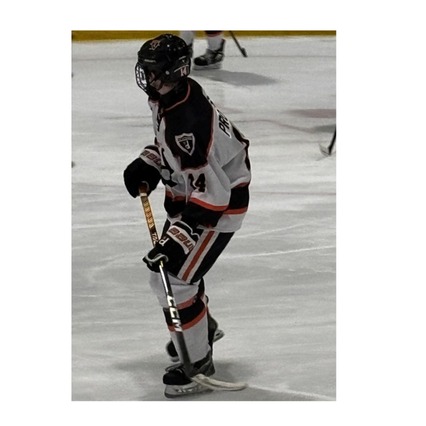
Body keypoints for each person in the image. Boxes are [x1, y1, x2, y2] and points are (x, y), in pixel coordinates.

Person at [123, 33, 251, 397]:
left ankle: (198, 364)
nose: (148, 78)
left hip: (217, 206)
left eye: (154, 71)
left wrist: (179, 239)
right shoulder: (171, 94)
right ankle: (202, 329)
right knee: (170, 276)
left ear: (174, 71)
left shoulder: (187, 120)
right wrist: (150, 161)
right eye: (146, 70)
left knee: (175, 279)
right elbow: (173, 150)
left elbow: (213, 192)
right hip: (195, 197)